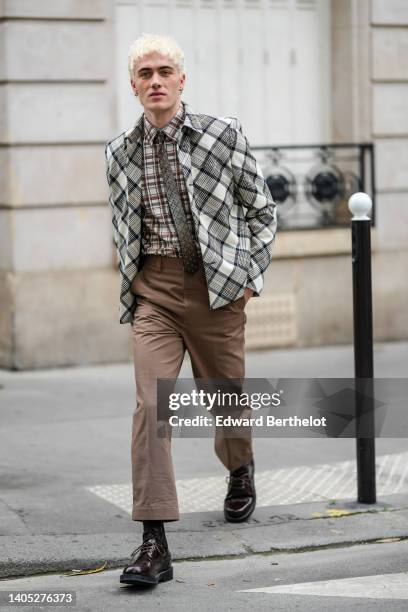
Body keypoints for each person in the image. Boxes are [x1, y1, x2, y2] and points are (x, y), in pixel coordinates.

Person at [105, 32, 277, 587]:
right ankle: (154, 542)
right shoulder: (118, 154)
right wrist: (132, 284)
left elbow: (261, 210)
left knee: (223, 394)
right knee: (150, 409)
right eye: (145, 74)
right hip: (153, 292)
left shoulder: (221, 136)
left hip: (217, 290)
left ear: (182, 80)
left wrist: (248, 277)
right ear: (133, 86)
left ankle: (240, 467)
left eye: (164, 72)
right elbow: (123, 226)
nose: (155, 82)